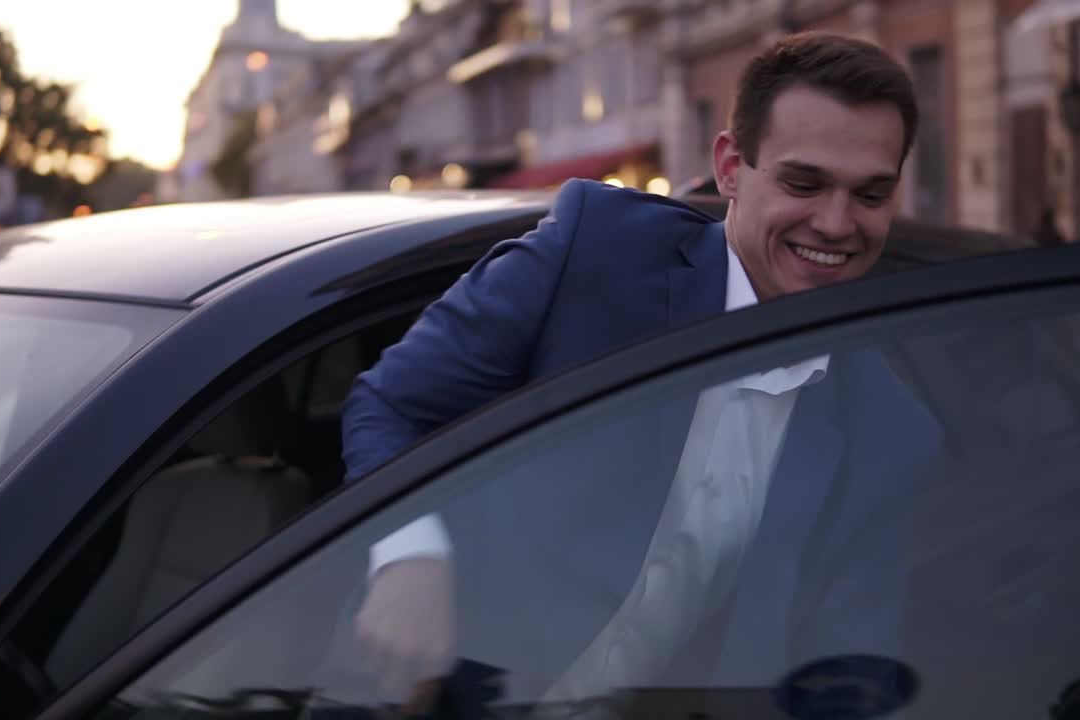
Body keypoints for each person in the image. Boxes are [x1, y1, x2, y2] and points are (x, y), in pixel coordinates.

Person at [340, 31, 939, 705]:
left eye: (870, 195)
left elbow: (846, 672)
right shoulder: (595, 253)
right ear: (731, 167)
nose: (836, 223)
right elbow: (390, 405)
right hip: (428, 692)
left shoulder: (891, 429)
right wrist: (409, 559)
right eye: (805, 183)